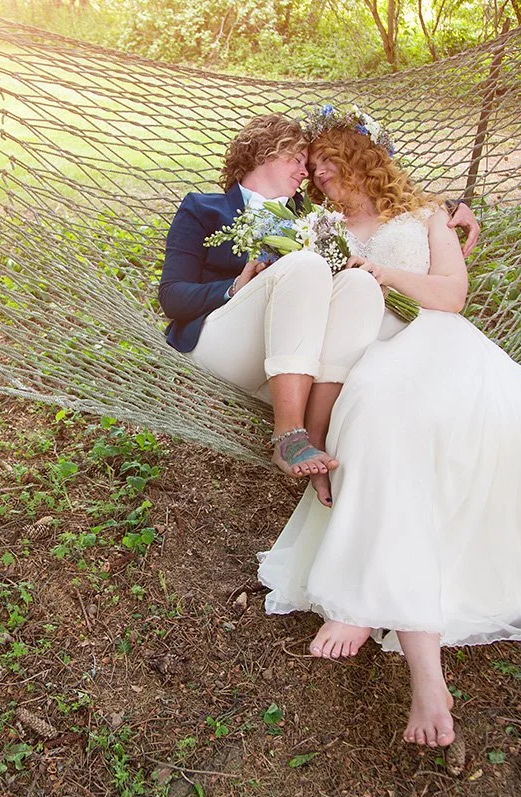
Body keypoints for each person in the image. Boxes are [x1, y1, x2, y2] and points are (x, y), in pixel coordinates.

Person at [256, 105, 521, 749]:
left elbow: (452, 295)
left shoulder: (425, 214)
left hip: (434, 343)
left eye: (330, 160)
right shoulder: (314, 225)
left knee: (399, 411)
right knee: (380, 414)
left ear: (362, 156)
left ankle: (373, 618)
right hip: (359, 357)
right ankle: (414, 659)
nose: (320, 174)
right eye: (313, 168)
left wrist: (382, 271)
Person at [159, 113, 480, 504]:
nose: (307, 172)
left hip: (290, 361)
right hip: (223, 339)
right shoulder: (202, 208)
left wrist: (451, 207)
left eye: (312, 164)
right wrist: (233, 286)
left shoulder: (313, 218)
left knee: (359, 283)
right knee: (307, 264)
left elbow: (376, 207)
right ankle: (289, 435)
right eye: (299, 160)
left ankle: (313, 436)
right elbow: (172, 297)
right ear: (265, 153)